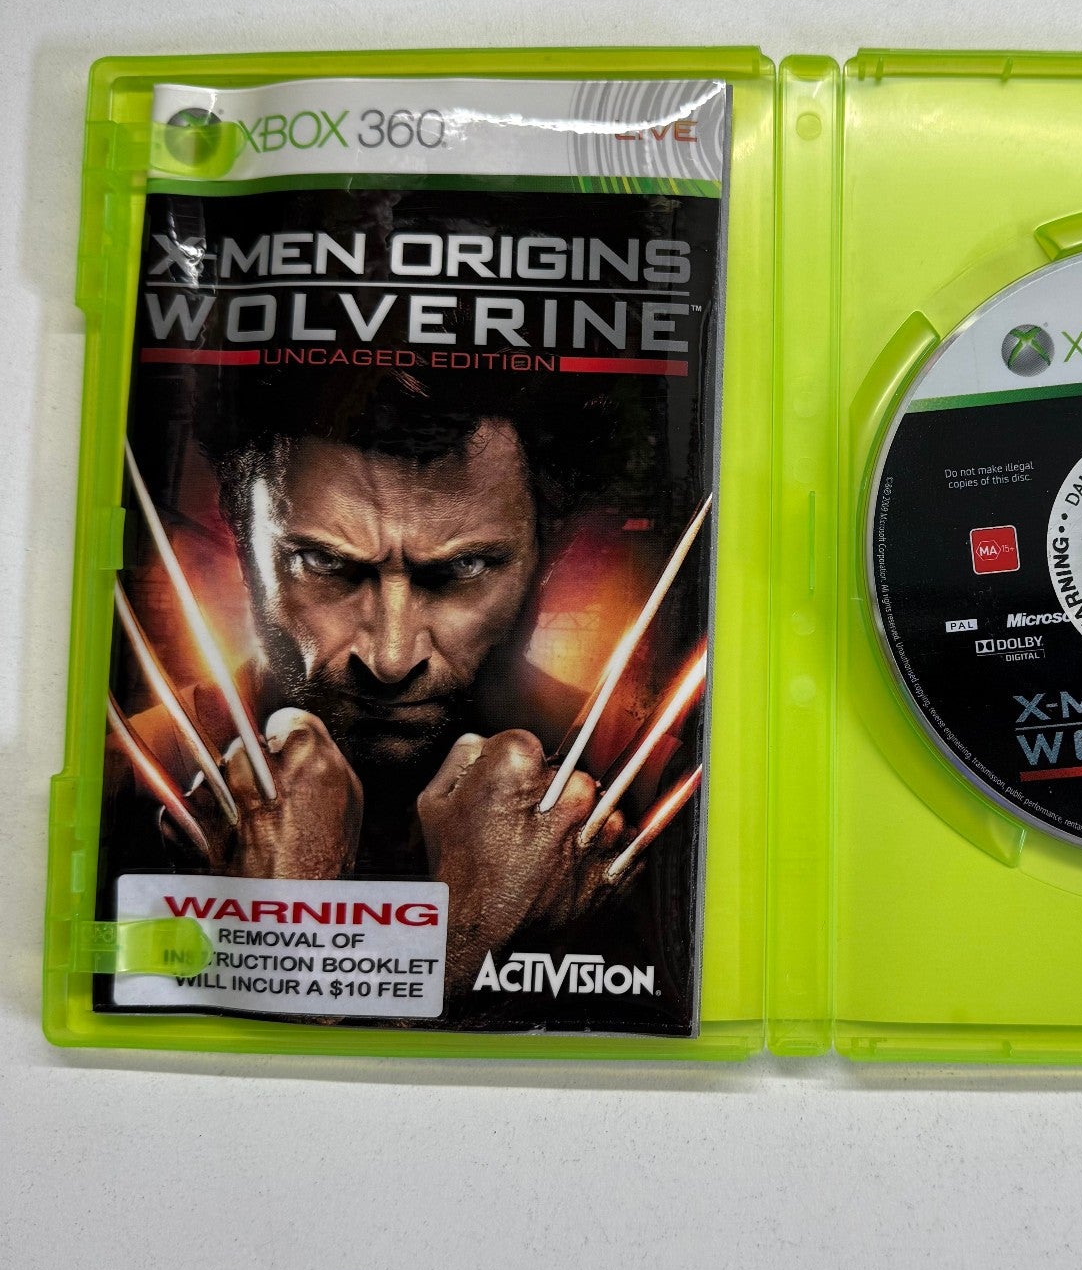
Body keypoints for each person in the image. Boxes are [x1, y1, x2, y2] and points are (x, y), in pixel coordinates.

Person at [114, 366, 678, 993]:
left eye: (463, 568)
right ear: (243, 541)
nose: (390, 657)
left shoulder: (659, 786)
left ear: (550, 553)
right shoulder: (129, 774)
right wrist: (470, 950)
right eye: (322, 562)